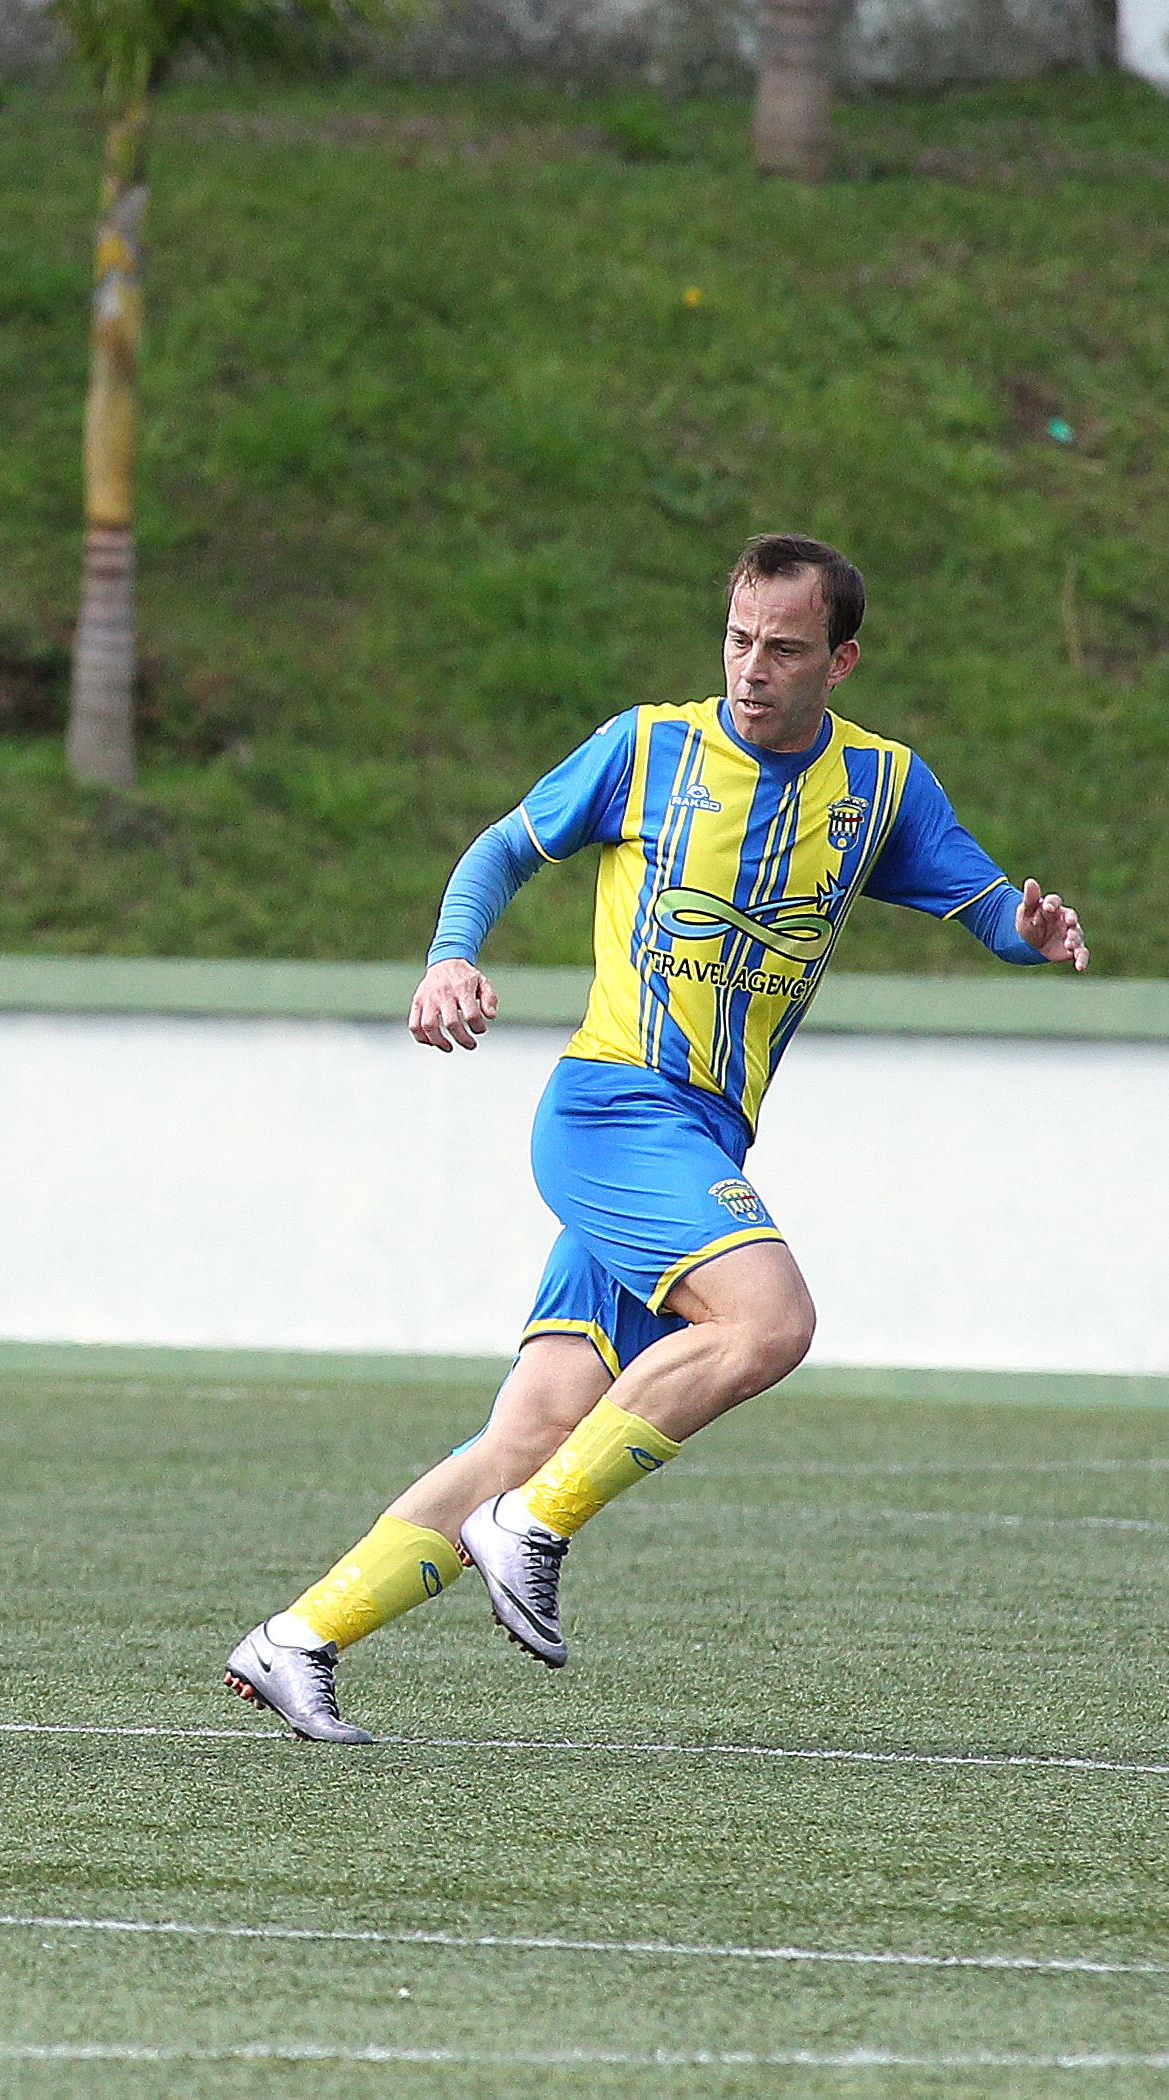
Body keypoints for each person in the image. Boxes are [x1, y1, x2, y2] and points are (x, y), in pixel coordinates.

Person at [223, 533, 1088, 1743]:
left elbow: (979, 899)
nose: (752, 668)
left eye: (784, 649)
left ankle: (298, 1640)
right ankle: (531, 1526)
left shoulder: (884, 787)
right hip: (612, 1109)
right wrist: (448, 957)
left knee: (532, 1431)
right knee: (770, 1322)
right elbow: (502, 849)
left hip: (700, 1145)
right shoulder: (647, 747)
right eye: (738, 639)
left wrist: (1029, 929)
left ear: (841, 659)